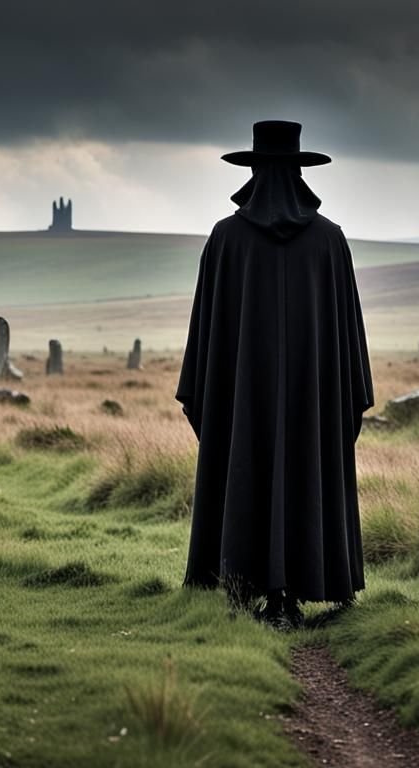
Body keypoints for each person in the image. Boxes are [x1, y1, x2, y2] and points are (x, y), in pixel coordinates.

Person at [176, 120, 374, 628]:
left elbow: (207, 342)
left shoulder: (226, 239)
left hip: (243, 400)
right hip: (312, 397)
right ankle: (304, 586)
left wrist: (217, 395)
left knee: (244, 455)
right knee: (308, 456)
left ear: (254, 170)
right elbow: (348, 344)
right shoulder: (330, 241)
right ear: (299, 172)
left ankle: (245, 582)